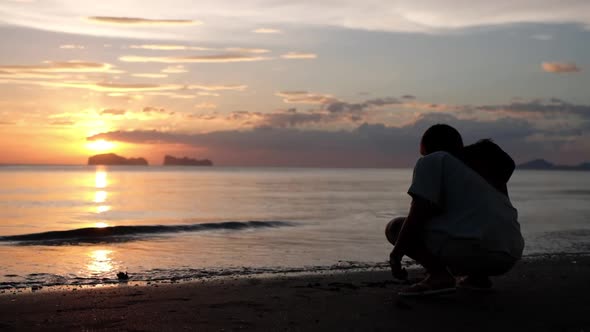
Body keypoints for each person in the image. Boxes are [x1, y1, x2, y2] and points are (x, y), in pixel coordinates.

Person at [385, 124, 524, 296]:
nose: (423, 157)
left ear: (429, 148)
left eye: (424, 153)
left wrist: (396, 255)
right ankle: (477, 278)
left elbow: (418, 213)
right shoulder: (481, 176)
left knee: (395, 227)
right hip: (510, 255)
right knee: (467, 223)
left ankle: (438, 275)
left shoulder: (434, 159)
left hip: (475, 250)